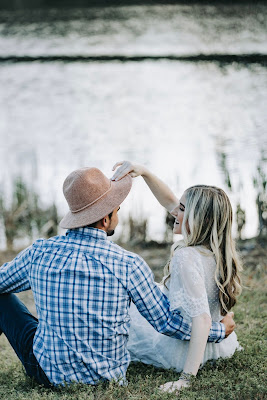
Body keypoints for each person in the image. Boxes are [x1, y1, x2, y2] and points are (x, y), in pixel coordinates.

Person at [0, 167, 235, 388]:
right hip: (108, 376)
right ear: (105, 220)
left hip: (47, 374)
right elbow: (166, 322)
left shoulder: (40, 253)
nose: (119, 213)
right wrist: (218, 331)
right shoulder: (128, 264)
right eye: (117, 209)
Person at [111, 161, 243, 393]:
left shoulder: (187, 257)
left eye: (182, 210)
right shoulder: (219, 251)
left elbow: (201, 320)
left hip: (182, 351)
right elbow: (169, 200)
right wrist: (145, 173)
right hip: (219, 346)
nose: (174, 212)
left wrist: (186, 378)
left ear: (200, 219)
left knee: (130, 305)